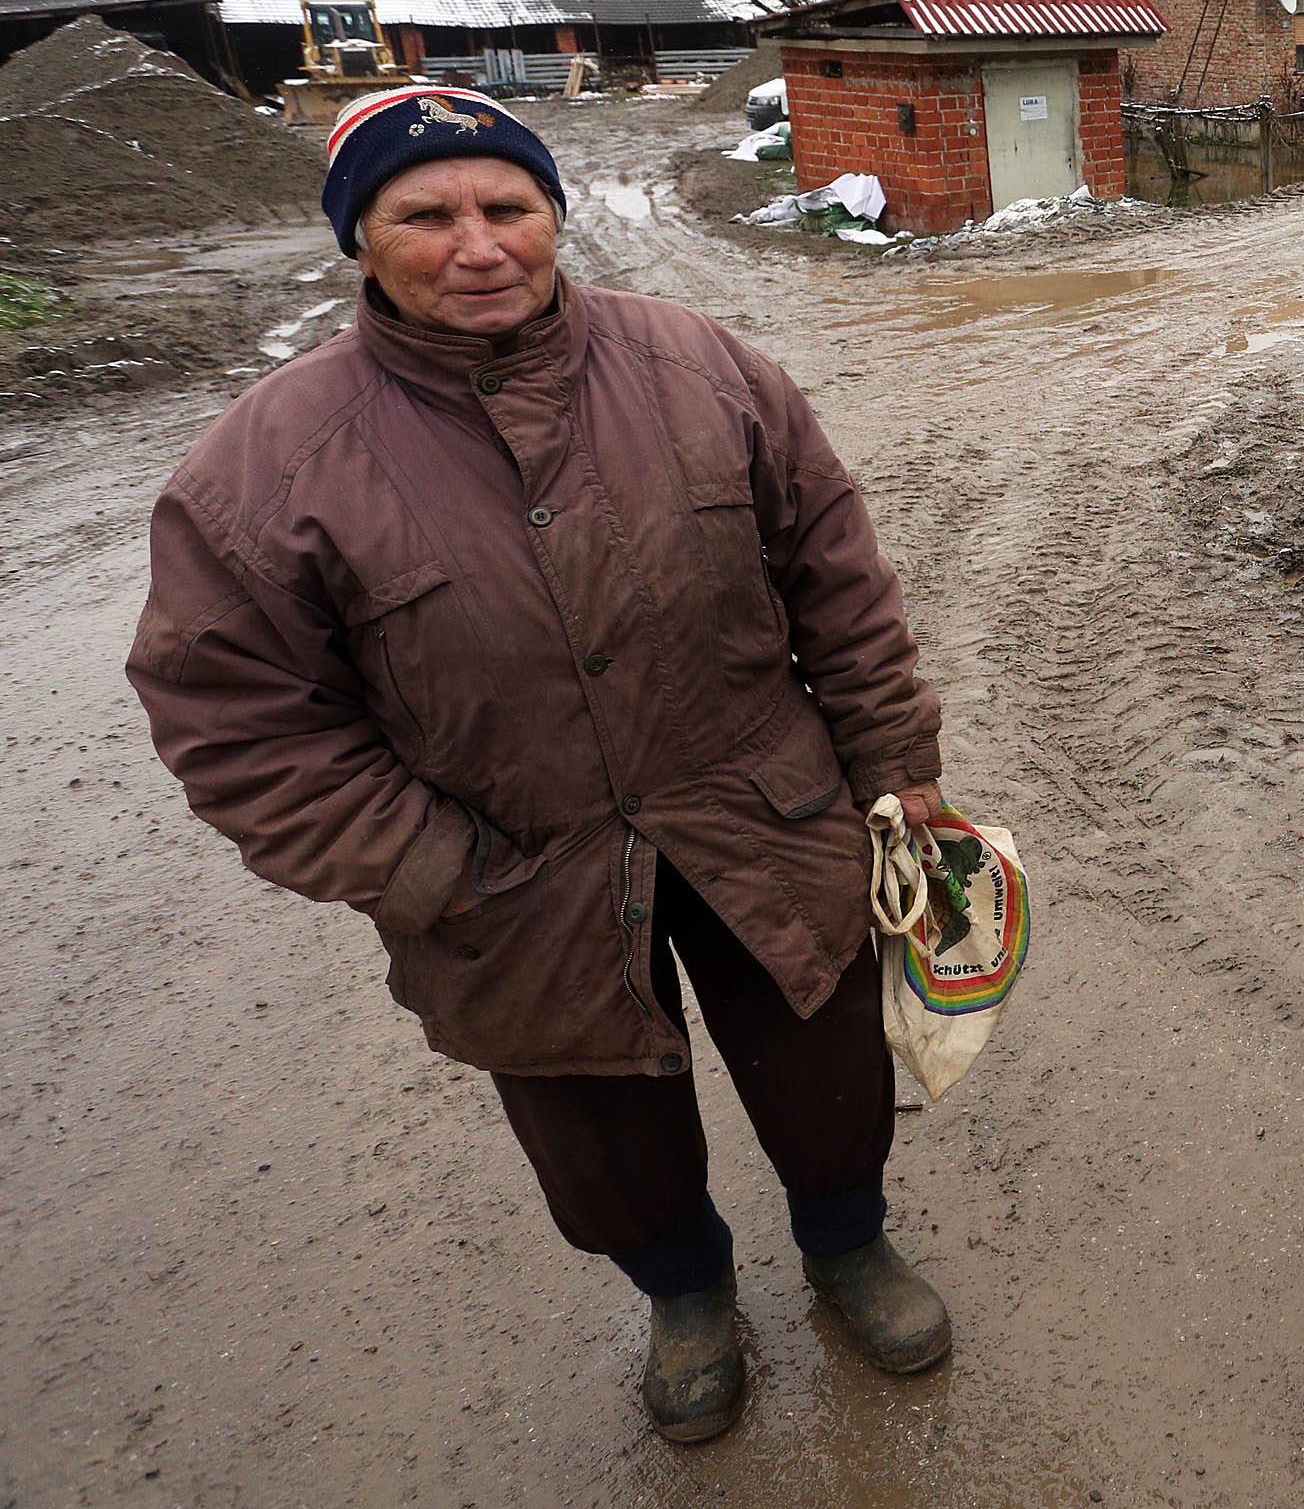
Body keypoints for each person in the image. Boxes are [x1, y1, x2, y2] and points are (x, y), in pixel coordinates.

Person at [128, 85, 951, 1443]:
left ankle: (848, 1247)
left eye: (506, 205)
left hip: (759, 802)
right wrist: (428, 866)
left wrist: (892, 752)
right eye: (425, 214)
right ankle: (687, 1296)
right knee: (600, 1130)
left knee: (826, 1063)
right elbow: (232, 714)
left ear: (553, 217)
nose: (477, 243)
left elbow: (837, 576)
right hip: (513, 870)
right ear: (359, 241)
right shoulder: (267, 466)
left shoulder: (702, 367)